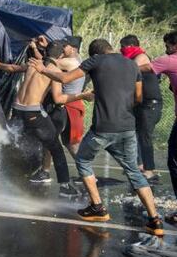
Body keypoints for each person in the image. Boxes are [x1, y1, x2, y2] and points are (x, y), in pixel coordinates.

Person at [29, 39, 163, 236]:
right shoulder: (131, 64)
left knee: (83, 160)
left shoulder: (96, 61)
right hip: (127, 127)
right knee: (134, 171)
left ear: (95, 54)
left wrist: (42, 69)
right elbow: (138, 98)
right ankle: (154, 220)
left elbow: (64, 79)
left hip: (103, 128)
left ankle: (98, 207)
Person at [11, 41, 93, 197]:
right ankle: (65, 187)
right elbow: (58, 99)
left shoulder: (34, 64)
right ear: (61, 56)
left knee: (21, 141)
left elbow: (13, 68)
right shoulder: (54, 71)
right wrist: (83, 95)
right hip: (32, 112)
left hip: (17, 109)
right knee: (56, 147)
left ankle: (20, 172)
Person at [139, 30, 177, 225]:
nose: (166, 49)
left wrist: (118, 65)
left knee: (174, 159)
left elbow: (144, 68)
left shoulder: (170, 59)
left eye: (168, 45)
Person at [41, 36, 86, 183]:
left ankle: (86, 172)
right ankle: (45, 171)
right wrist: (48, 46)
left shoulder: (69, 61)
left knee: (69, 143)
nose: (62, 48)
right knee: (58, 140)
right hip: (70, 105)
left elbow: (49, 62)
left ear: (72, 49)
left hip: (68, 106)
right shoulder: (77, 60)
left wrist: (41, 50)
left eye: (64, 46)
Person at [120, 35, 162, 183]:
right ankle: (139, 166)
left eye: (125, 47)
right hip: (140, 104)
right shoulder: (131, 59)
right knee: (133, 135)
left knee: (145, 137)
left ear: (132, 46)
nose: (123, 50)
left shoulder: (141, 57)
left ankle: (150, 172)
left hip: (150, 104)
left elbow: (129, 72)